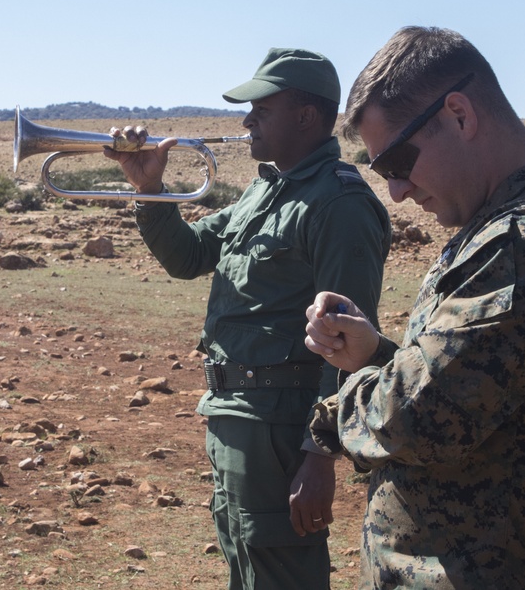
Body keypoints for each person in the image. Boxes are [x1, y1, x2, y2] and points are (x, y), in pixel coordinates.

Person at [303, 27, 525, 589]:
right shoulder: (507, 226)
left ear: (459, 115)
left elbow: (423, 417)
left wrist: (334, 413)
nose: (396, 190)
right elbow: (489, 389)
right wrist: (379, 355)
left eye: (396, 160)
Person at [104, 47, 392, 590]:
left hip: (283, 427)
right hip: (234, 412)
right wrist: (149, 191)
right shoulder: (266, 189)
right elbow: (188, 257)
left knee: (280, 573)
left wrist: (321, 453)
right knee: (245, 564)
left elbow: (347, 343)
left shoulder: (339, 204)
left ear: (306, 116)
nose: (246, 120)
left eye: (261, 108)